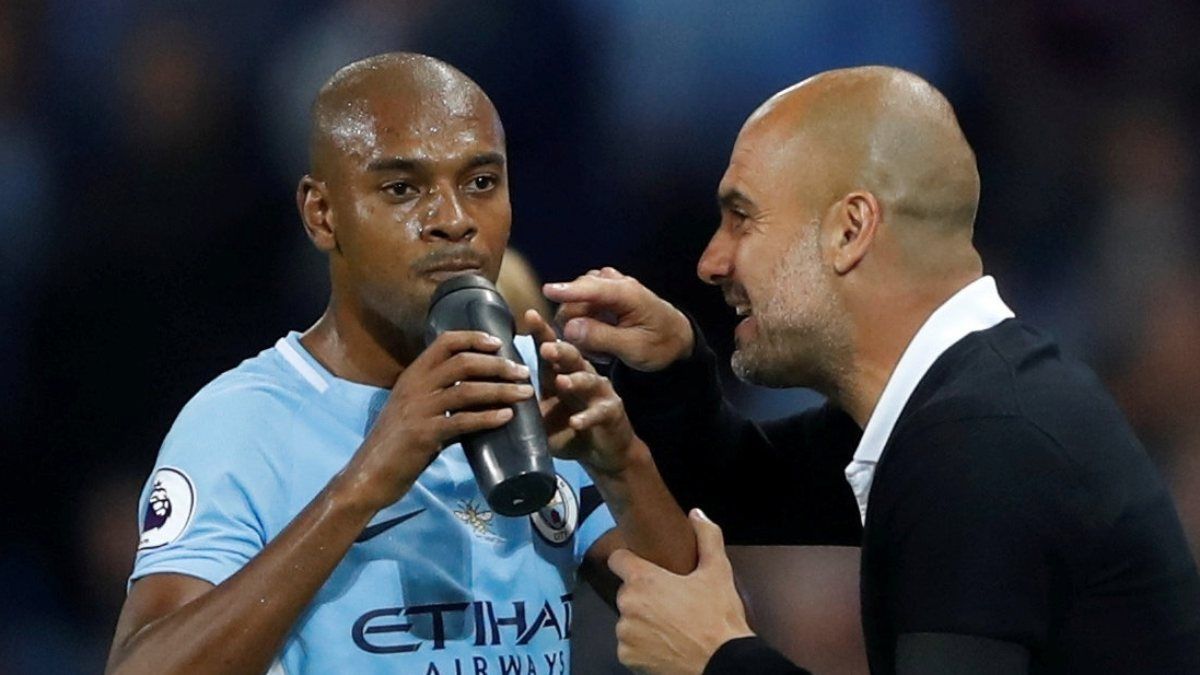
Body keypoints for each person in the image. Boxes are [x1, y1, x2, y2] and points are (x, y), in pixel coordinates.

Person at [544, 66, 1200, 674]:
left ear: (850, 229)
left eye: (741, 218)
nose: (711, 262)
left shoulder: (982, 443)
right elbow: (742, 489)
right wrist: (669, 370)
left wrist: (717, 659)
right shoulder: (963, 405)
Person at [104, 52, 696, 675]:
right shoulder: (243, 424)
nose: (454, 220)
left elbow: (705, 639)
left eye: (481, 182)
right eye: (402, 189)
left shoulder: (540, 389)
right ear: (322, 214)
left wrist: (624, 464)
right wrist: (363, 483)